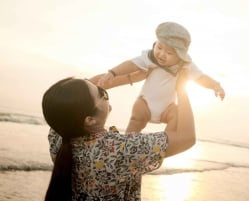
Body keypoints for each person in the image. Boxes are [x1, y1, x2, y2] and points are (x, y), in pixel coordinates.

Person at [42, 73, 195, 201]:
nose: (104, 92)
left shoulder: (59, 132)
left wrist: (131, 76)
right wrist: (181, 88)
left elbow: (76, 92)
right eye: (102, 94)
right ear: (90, 120)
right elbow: (186, 137)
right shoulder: (117, 150)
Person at [90, 21, 225, 133]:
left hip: (167, 108)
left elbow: (200, 77)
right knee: (136, 118)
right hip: (146, 103)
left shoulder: (185, 66)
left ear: (180, 55)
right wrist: (112, 73)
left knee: (177, 116)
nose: (161, 54)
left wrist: (215, 85)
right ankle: (128, 142)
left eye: (169, 52)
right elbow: (131, 64)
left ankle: (166, 141)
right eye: (159, 47)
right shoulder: (149, 58)